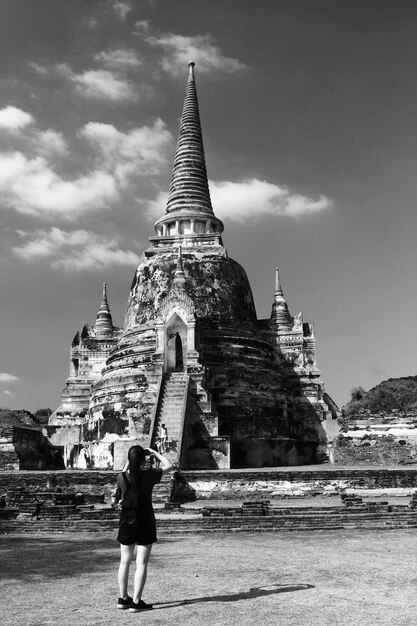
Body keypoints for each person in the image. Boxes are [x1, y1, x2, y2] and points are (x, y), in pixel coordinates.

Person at [114, 445, 173, 613]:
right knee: (141, 563)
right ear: (143, 460)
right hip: (145, 520)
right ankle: (136, 601)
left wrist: (129, 461)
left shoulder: (121, 478)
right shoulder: (148, 475)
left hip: (126, 521)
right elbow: (169, 465)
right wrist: (154, 452)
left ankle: (123, 598)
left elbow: (124, 475)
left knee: (124, 562)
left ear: (129, 459)